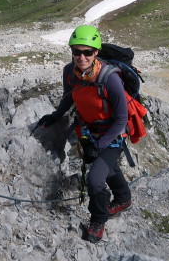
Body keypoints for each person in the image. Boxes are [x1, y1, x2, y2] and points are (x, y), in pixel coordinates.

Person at [36, 25, 132, 243]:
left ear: (96, 52)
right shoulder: (70, 72)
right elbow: (69, 97)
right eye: (77, 51)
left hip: (112, 135)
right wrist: (56, 115)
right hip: (87, 130)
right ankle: (124, 198)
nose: (82, 57)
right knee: (106, 168)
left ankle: (98, 219)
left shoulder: (110, 79)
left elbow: (120, 119)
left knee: (95, 179)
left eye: (87, 52)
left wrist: (99, 146)